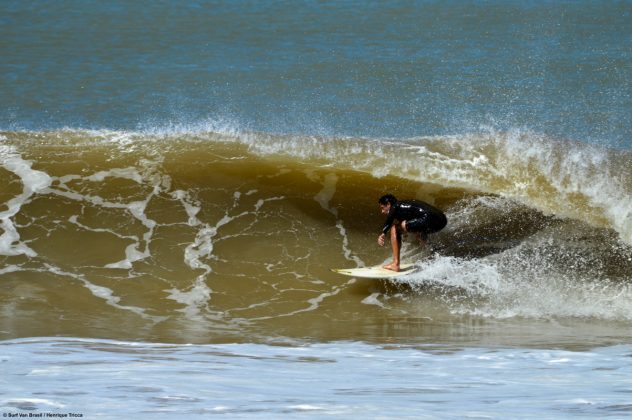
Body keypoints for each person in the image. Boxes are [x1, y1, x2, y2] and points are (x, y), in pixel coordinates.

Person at [377, 194, 447, 271]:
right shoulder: (405, 206)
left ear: (388, 204)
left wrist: (383, 233)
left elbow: (389, 220)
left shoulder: (395, 206)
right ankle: (435, 254)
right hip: (441, 220)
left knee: (395, 228)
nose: (382, 211)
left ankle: (395, 264)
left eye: (383, 208)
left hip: (427, 218)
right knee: (418, 233)